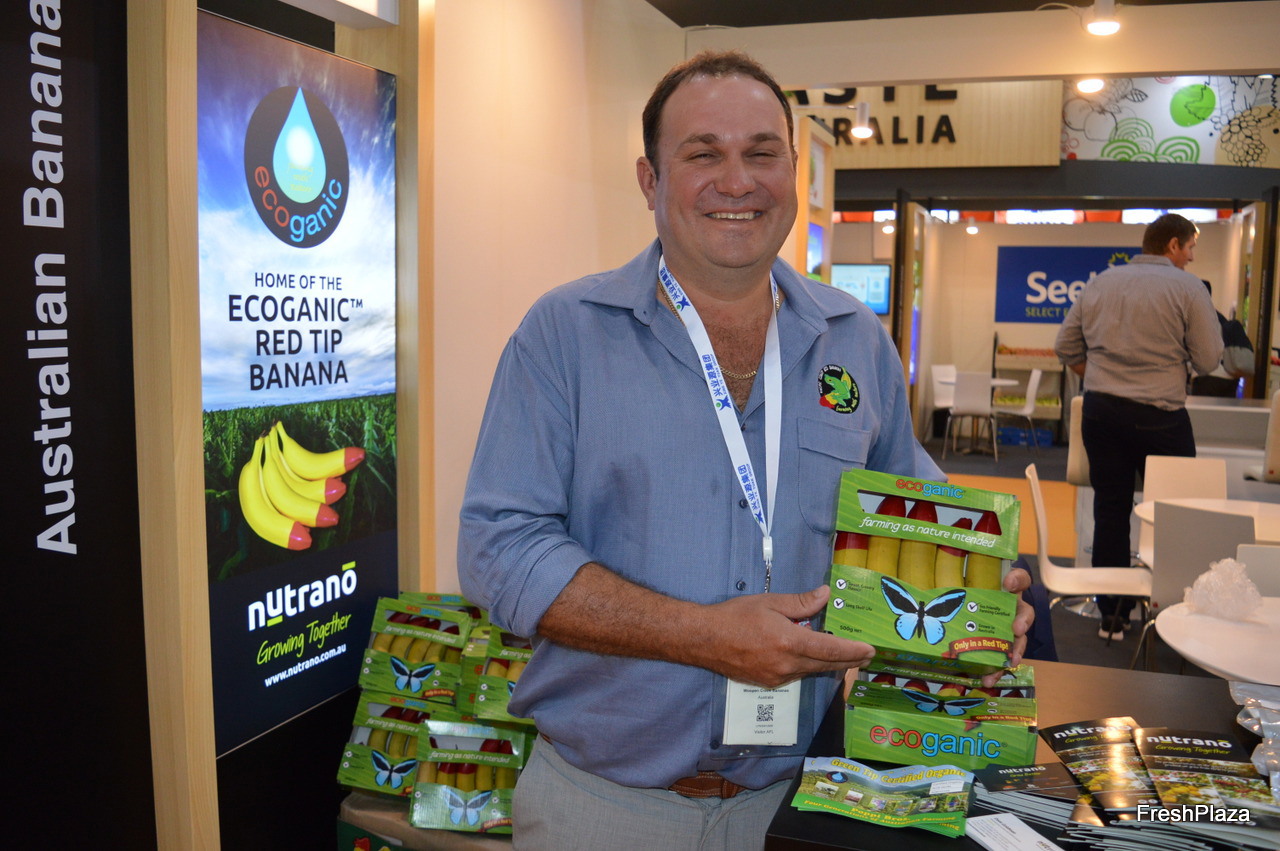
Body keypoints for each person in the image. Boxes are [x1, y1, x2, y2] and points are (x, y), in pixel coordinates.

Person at [458, 50, 1033, 850]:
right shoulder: (564, 335)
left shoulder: (855, 341)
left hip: (801, 805)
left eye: (762, 153)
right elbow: (500, 552)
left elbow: (916, 515)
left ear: (792, 173)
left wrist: (983, 589)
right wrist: (699, 633)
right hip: (602, 808)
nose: (737, 181)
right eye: (704, 154)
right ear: (651, 180)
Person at [1055, 213, 1222, 641]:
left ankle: (1112, 615)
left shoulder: (1100, 283)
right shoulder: (1189, 288)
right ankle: (1170, 612)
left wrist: (1101, 377)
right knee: (1173, 515)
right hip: (1160, 418)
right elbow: (1208, 360)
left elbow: (1065, 346)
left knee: (1110, 510)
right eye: (1190, 247)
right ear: (1172, 245)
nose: (1191, 257)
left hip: (1101, 413)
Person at [1189, 279, 1254, 398]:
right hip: (1229, 378)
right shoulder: (1219, 317)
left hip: (1207, 379)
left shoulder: (1197, 317)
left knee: (1202, 410)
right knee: (1225, 410)